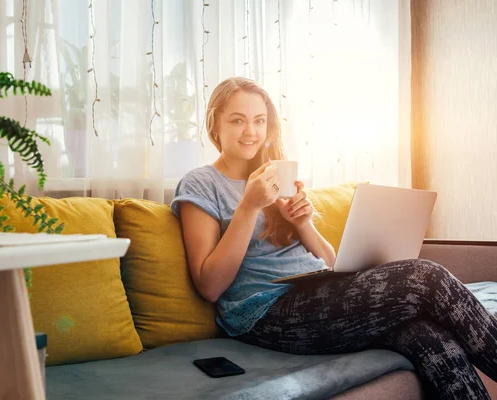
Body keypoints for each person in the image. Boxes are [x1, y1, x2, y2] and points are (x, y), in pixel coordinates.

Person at [170, 77, 497, 399]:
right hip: (263, 313)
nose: (251, 131)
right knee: (426, 276)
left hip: (320, 292)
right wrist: (248, 207)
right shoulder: (202, 183)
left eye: (259, 121)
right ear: (215, 124)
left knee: (425, 336)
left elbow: (330, 264)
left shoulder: (278, 178)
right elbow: (210, 286)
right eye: (238, 120)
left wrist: (303, 224)